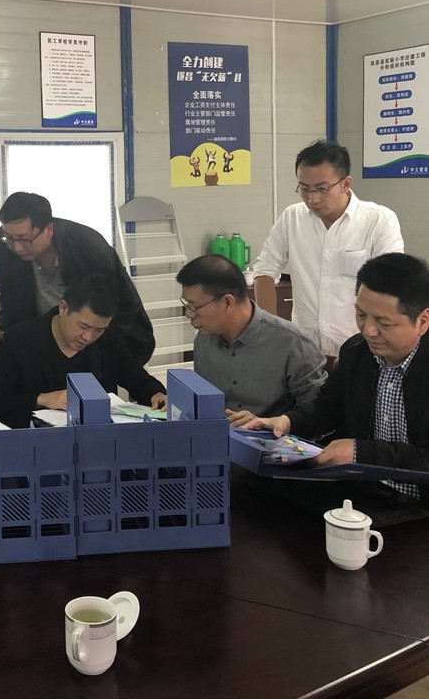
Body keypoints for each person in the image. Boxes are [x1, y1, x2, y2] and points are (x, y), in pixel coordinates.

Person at [242, 254, 429, 494]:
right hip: (365, 495)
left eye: (384, 323)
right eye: (361, 315)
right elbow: (327, 408)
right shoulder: (356, 353)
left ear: (422, 321)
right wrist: (286, 422)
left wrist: (360, 452)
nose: (368, 331)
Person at [253, 139, 403, 365]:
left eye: (322, 189)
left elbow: (390, 286)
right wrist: (271, 330)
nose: (312, 199)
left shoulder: (379, 220)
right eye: (304, 189)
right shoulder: (292, 218)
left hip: (361, 351)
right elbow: (264, 270)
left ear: (346, 183)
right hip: (304, 351)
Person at [0, 192, 155, 366]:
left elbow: (111, 305)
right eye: (9, 238)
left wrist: (112, 356)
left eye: (24, 239)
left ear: (48, 230)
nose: (16, 247)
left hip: (96, 337)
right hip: (47, 337)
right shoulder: (5, 243)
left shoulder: (87, 246)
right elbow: (9, 291)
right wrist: (7, 333)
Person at [0, 273, 166, 428]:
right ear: (63, 308)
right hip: (37, 444)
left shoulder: (108, 339)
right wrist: (41, 399)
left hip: (98, 438)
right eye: (83, 326)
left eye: (99, 330)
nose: (89, 337)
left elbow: (138, 379)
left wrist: (156, 394)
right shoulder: (20, 340)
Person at [175, 254, 326, 424]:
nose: (188, 314)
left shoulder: (292, 343)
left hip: (274, 437)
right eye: (186, 305)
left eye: (194, 306)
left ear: (227, 302)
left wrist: (265, 423)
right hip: (218, 434)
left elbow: (318, 414)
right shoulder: (204, 339)